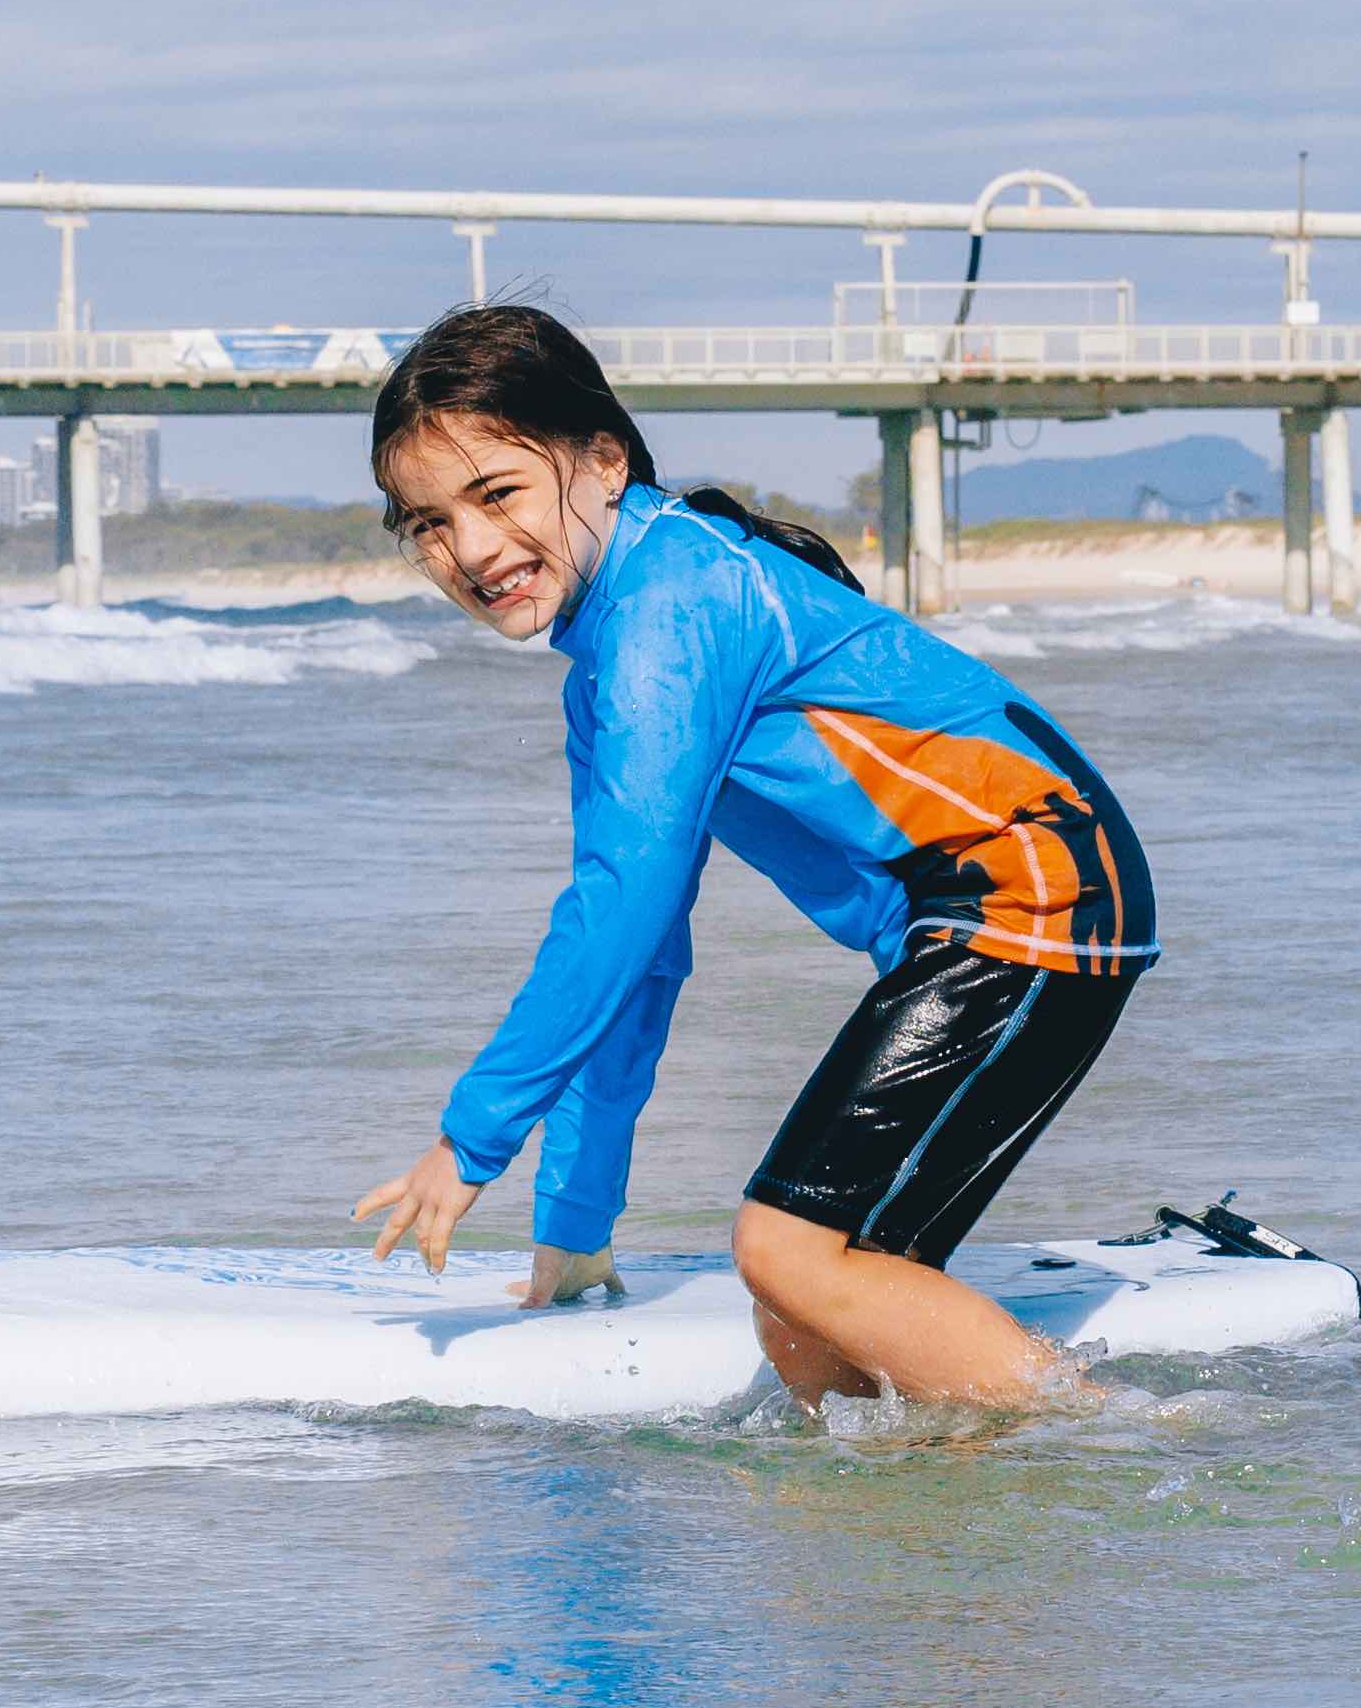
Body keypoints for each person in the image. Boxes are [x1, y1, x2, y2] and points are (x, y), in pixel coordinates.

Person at [349, 305, 1152, 1414]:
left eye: (498, 494)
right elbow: (639, 953)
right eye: (429, 523)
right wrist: (575, 1227)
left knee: (785, 1249)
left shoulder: (672, 607)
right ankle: (941, 1503)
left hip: (1031, 891)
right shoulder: (616, 657)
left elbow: (617, 912)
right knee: (803, 1309)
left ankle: (1133, 1443)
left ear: (605, 460)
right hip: (1002, 906)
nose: (471, 550)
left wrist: (470, 1139)